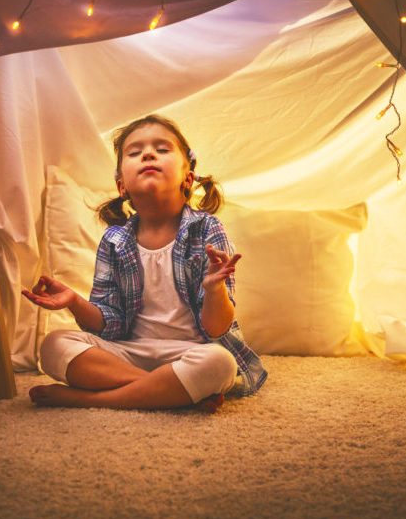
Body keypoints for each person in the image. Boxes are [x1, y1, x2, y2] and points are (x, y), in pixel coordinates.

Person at [22, 114, 266, 411]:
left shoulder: (207, 229)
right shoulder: (114, 240)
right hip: (129, 352)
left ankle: (91, 399)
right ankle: (171, 393)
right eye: (135, 153)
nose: (148, 154)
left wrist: (214, 289)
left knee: (219, 363)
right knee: (54, 345)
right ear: (122, 185)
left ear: (187, 179)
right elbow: (109, 326)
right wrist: (73, 300)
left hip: (191, 351)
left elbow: (216, 329)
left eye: (162, 150)